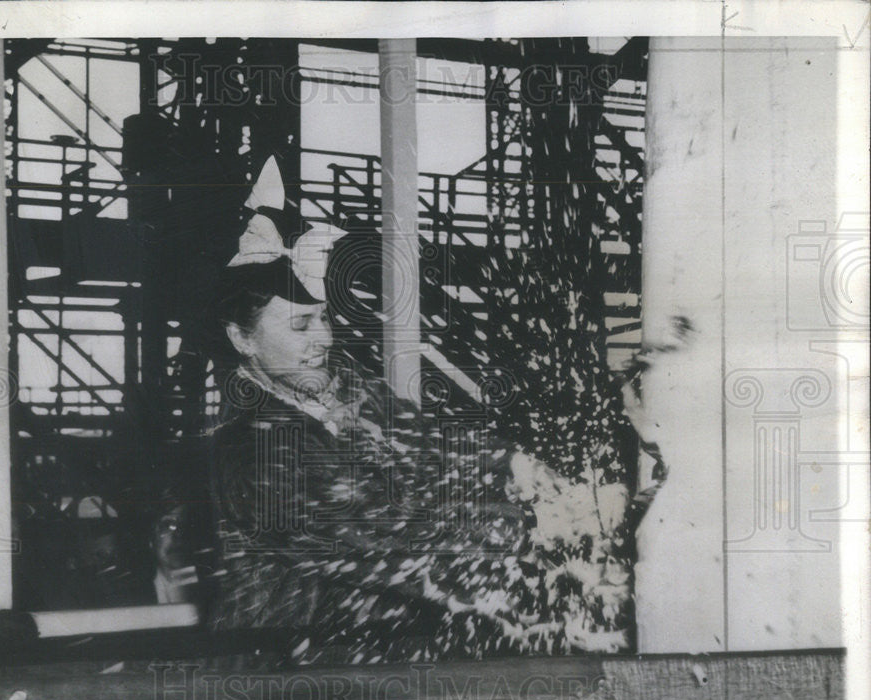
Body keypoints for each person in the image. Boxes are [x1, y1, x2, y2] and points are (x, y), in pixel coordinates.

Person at [170, 157, 642, 665]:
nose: (324, 340)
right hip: (295, 674)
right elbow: (386, 538)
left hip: (394, 652)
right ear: (242, 339)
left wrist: (516, 465)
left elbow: (437, 446)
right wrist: (545, 530)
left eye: (324, 319)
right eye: (301, 326)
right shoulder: (253, 450)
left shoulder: (357, 395)